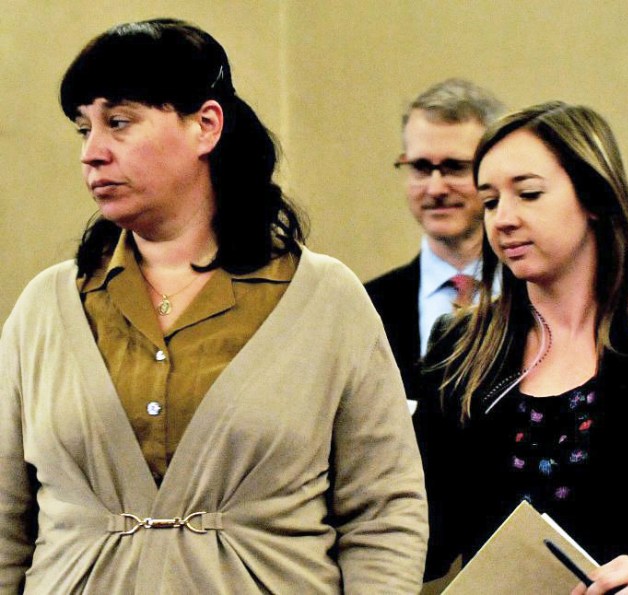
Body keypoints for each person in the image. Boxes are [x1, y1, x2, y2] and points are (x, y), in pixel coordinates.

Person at [0, 18, 427, 593]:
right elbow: (4, 522)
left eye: (119, 123)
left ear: (205, 126)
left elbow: (384, 513)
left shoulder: (325, 299)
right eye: (84, 129)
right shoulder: (46, 308)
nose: (92, 153)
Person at [414, 101, 628, 593]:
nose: (502, 219)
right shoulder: (461, 350)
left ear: (594, 198)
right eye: (489, 202)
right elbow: (420, 535)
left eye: (528, 194)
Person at [365, 79, 504, 412]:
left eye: (455, 167)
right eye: (421, 168)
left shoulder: (541, 298)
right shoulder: (366, 308)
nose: (436, 187)